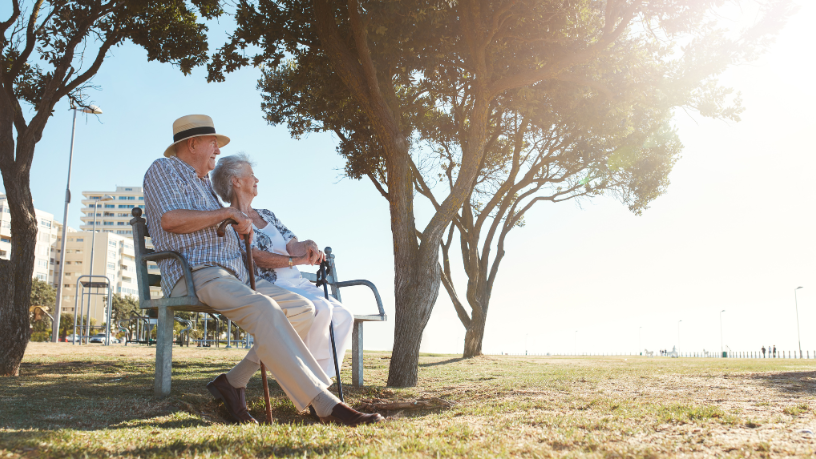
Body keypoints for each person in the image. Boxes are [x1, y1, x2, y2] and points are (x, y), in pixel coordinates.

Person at [142, 114, 382, 426]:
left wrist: (241, 232)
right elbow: (169, 220)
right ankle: (324, 403)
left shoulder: (205, 186)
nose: (218, 148)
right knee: (267, 309)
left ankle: (232, 382)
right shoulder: (164, 169)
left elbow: (224, 226)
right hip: (198, 271)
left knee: (301, 311)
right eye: (213, 142)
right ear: (192, 143)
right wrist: (228, 213)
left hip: (236, 275)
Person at [210, 154, 354, 379]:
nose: (257, 180)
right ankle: (309, 376)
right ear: (236, 181)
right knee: (322, 310)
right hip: (271, 284)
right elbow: (254, 257)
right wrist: (295, 261)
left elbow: (292, 245)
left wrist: (308, 247)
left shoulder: (267, 215)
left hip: (296, 281)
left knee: (344, 314)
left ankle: (323, 377)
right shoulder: (231, 220)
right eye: (252, 175)